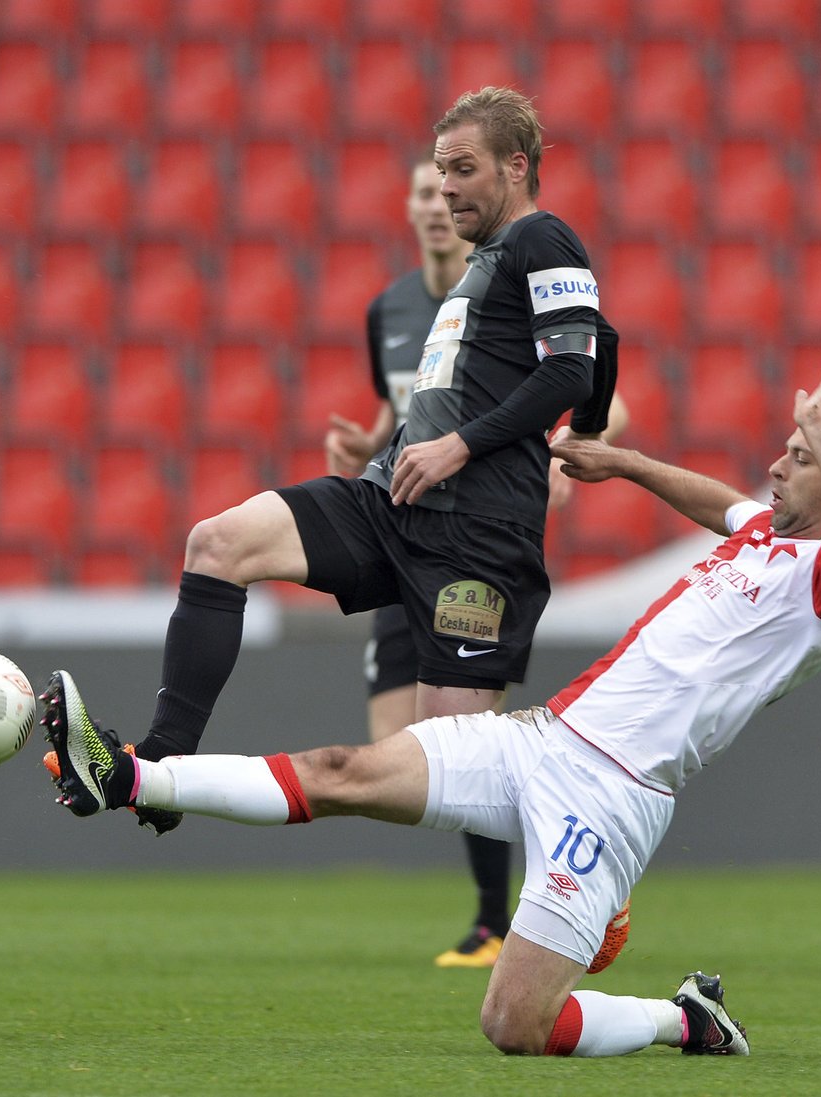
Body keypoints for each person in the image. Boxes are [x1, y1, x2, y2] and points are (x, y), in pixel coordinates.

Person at [43, 351, 821, 1058]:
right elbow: (721, 503)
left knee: (513, 1024)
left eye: (797, 453)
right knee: (341, 769)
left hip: (611, 798)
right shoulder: (764, 534)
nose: (777, 463)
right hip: (544, 738)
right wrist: (626, 464)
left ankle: (685, 1019)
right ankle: (130, 776)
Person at [97, 86, 619, 855]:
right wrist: (586, 431)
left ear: (516, 167)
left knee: (454, 773)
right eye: (441, 171)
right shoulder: (488, 264)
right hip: (392, 501)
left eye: (463, 169)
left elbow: (579, 360)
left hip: (478, 538)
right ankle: (163, 766)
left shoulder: (545, 239)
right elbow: (601, 344)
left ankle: (590, 848)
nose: (445, 188)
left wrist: (475, 442)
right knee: (218, 542)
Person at [323, 149, 626, 967]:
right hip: (404, 517)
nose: (434, 202)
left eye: (445, 186)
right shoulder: (388, 309)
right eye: (421, 189)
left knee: (455, 745)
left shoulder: (518, 271)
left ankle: (509, 914)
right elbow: (414, 410)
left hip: (474, 528)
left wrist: (565, 455)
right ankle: (548, 860)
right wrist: (372, 448)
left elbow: (595, 379)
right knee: (405, 747)